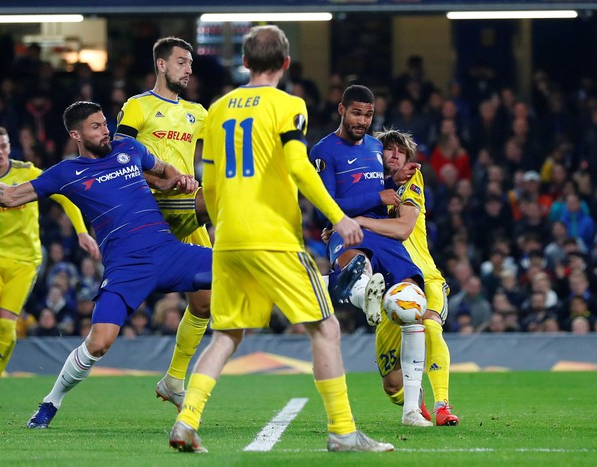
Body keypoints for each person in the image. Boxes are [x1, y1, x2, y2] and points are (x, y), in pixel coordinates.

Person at [168, 25, 393, 454]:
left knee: (226, 336)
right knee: (325, 328)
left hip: (229, 237)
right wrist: (339, 216)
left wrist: (223, 226)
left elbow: (209, 184)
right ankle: (343, 431)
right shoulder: (289, 104)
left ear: (246, 62)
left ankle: (187, 420)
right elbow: (298, 164)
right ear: (286, 63)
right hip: (273, 236)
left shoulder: (217, 109)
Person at [0, 101, 212, 428]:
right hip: (126, 268)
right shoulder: (66, 173)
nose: (106, 130)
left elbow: (164, 169)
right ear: (76, 134)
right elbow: (10, 197)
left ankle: (174, 380)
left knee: (238, 267)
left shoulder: (128, 148)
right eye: (96, 127)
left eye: (105, 123)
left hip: (168, 251)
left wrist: (173, 180)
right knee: (98, 343)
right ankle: (50, 402)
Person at [0, 125, 100, 408]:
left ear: (10, 147)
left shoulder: (28, 172)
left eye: (4, 146)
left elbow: (63, 195)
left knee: (6, 323)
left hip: (25, 261)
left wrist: (81, 231)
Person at [310, 85, 429, 428]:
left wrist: (394, 179)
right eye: (356, 113)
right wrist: (380, 191)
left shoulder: (377, 147)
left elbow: (378, 190)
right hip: (349, 230)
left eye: (368, 114)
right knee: (355, 263)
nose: (362, 121)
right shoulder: (324, 151)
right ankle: (364, 296)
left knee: (412, 304)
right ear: (341, 110)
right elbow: (326, 209)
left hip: (383, 232)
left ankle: (411, 410)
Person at [115, 37, 212, 409]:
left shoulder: (198, 112)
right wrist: (161, 179)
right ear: (161, 64)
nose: (189, 69)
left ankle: (173, 379)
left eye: (190, 63)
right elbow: (119, 160)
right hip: (150, 209)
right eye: (182, 62)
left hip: (187, 210)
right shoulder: (137, 107)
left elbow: (226, 142)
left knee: (205, 304)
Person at [350, 129, 460, 426]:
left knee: (430, 325)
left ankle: (442, 405)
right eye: (390, 149)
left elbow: (403, 229)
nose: (396, 155)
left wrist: (357, 222)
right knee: (391, 385)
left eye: (402, 150)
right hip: (386, 287)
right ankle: (416, 402)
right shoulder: (368, 192)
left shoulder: (412, 179)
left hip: (423, 276)